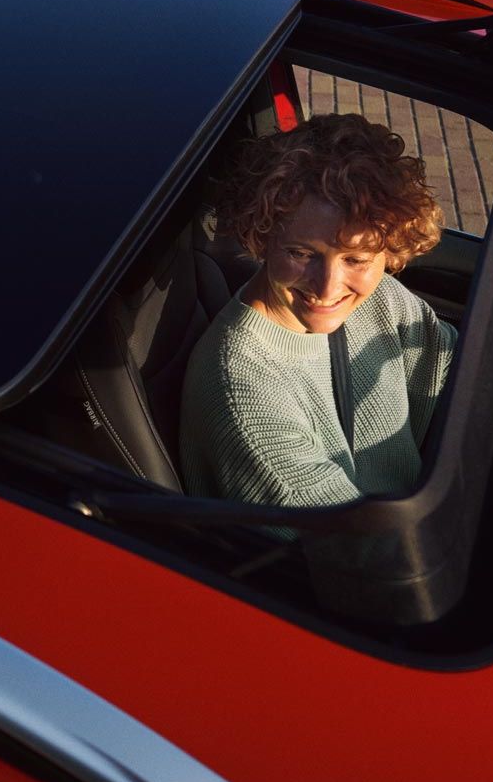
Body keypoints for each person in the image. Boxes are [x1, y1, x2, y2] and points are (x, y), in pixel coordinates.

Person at [181, 113, 457, 508]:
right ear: (263, 234)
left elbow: (464, 381)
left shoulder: (381, 299)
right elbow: (363, 553)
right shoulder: (244, 399)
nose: (328, 288)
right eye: (301, 253)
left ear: (388, 252)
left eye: (357, 259)